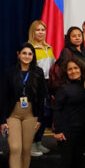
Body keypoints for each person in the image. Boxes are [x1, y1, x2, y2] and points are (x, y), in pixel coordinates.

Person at [2, 43, 47, 168]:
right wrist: (3, 120)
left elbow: (41, 97)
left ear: (33, 56)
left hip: (30, 114)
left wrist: (40, 118)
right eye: (24, 53)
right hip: (13, 114)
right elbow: (3, 97)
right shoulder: (9, 73)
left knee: (26, 148)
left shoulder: (38, 73)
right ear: (18, 54)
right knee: (15, 147)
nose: (27, 56)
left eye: (30, 54)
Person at [52, 58, 85, 168]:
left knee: (77, 160)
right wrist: (58, 131)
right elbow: (57, 109)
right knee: (67, 161)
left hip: (83, 128)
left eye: (76, 68)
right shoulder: (63, 88)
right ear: (65, 72)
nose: (73, 71)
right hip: (67, 130)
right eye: (70, 69)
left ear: (81, 69)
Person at [27, 20, 54, 157]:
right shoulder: (30, 48)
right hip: (35, 84)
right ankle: (30, 143)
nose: (41, 32)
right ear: (33, 32)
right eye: (38, 30)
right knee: (35, 114)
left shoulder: (48, 48)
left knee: (44, 114)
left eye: (43, 30)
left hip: (48, 84)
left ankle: (38, 141)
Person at [51, 27, 85, 92]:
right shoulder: (66, 51)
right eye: (74, 36)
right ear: (69, 38)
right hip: (71, 86)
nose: (77, 38)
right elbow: (63, 71)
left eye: (79, 35)